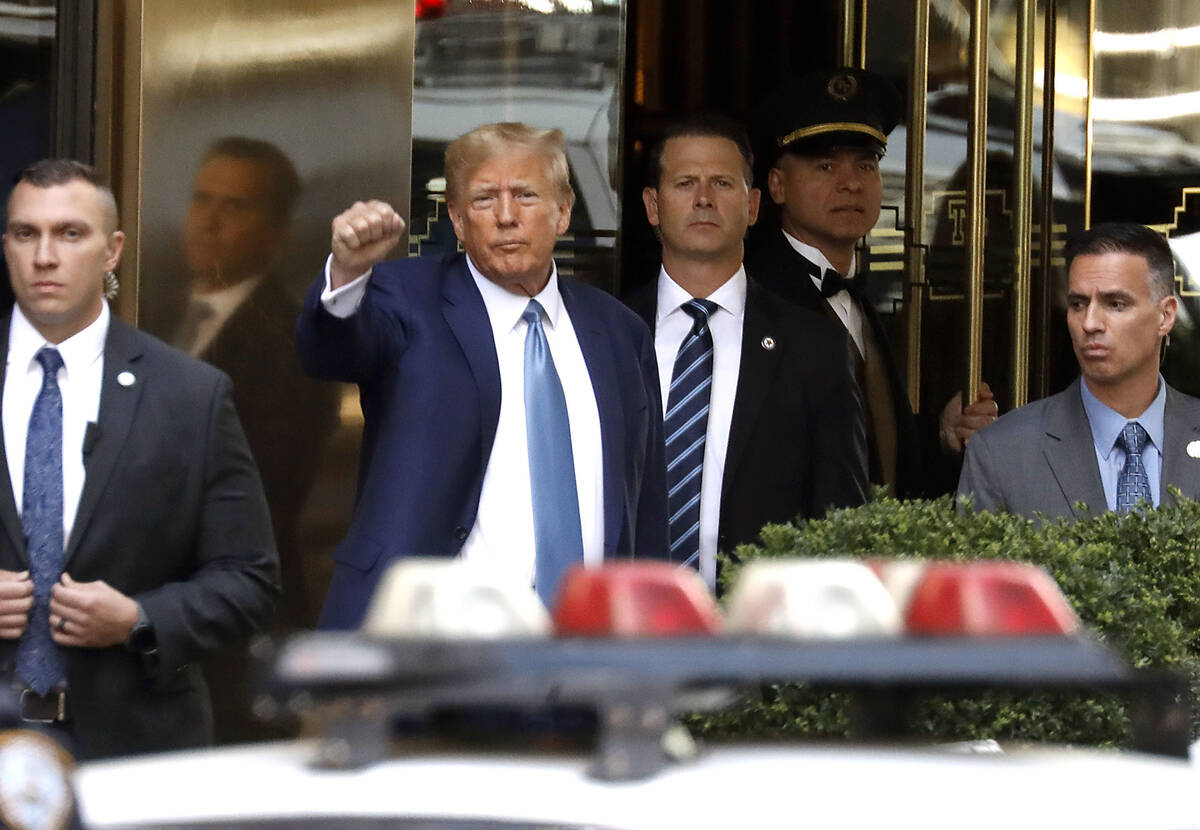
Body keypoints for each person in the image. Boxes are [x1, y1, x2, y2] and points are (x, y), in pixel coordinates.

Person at [297, 122, 668, 629]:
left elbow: (642, 504)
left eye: (526, 195)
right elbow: (330, 351)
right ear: (456, 218)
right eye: (484, 199)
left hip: (585, 652)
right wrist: (346, 275)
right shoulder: (404, 300)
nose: (507, 216)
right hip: (434, 646)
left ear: (563, 212)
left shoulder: (618, 331)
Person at [0, 159, 278, 758]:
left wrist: (139, 617)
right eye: (27, 234)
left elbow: (250, 579)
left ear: (112, 250)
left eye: (71, 233)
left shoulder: (190, 395)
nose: (45, 256)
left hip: (136, 745)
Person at [625, 116, 868, 589]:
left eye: (721, 183)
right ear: (652, 206)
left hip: (762, 639)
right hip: (625, 631)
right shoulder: (606, 333)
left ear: (754, 205)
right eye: (684, 183)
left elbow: (842, 520)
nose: (703, 199)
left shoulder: (815, 347)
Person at [748, 67, 997, 498]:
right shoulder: (753, 299)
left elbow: (876, 450)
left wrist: (942, 434)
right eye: (825, 165)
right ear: (777, 185)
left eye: (866, 165)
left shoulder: (861, 300)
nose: (850, 183)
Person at [173, 137, 339, 629]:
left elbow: (257, 495)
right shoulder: (152, 317)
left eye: (235, 207)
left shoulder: (291, 345)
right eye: (202, 199)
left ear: (275, 235)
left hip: (235, 616)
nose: (210, 221)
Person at [958, 222, 1200, 519]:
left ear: (1165, 316)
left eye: (1116, 304)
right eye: (1077, 304)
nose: (1090, 323)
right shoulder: (1001, 453)